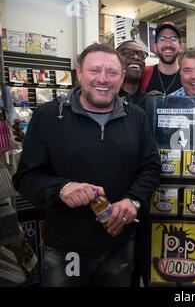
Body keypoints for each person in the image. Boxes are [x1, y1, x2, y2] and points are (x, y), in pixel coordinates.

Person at [12, 43, 161, 287]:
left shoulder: (137, 117)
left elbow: (151, 167)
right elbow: (25, 177)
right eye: (95, 70)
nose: (103, 79)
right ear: (79, 72)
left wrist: (133, 200)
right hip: (66, 248)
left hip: (120, 245)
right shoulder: (49, 116)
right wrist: (61, 189)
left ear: (122, 76)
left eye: (112, 72)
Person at [143, 22, 184, 96]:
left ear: (181, 47)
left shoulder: (188, 77)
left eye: (173, 39)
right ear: (155, 47)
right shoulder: (144, 74)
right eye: (162, 39)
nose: (168, 44)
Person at [116, 40, 148, 110]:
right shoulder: (107, 98)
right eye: (128, 52)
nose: (136, 57)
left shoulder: (149, 102)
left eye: (141, 54)